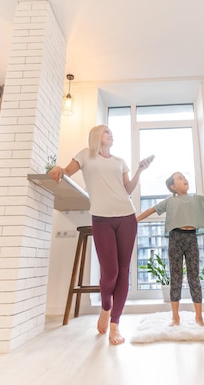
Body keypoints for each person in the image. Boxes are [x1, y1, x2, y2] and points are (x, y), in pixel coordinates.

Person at [48, 125, 154, 345]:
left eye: (111, 132)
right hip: (102, 218)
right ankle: (106, 307)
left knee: (123, 271)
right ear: (97, 136)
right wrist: (59, 168)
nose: (111, 134)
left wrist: (139, 171)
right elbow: (67, 171)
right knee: (110, 271)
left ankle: (115, 325)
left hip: (127, 216)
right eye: (106, 131)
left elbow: (127, 190)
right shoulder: (86, 155)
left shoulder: (120, 162)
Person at [136, 172, 204, 326]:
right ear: (173, 187)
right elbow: (152, 210)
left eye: (184, 177)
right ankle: (175, 317)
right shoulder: (169, 201)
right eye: (179, 178)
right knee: (176, 276)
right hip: (175, 238)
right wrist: (135, 220)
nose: (184, 179)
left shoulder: (197, 198)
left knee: (194, 277)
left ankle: (199, 316)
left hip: (191, 238)